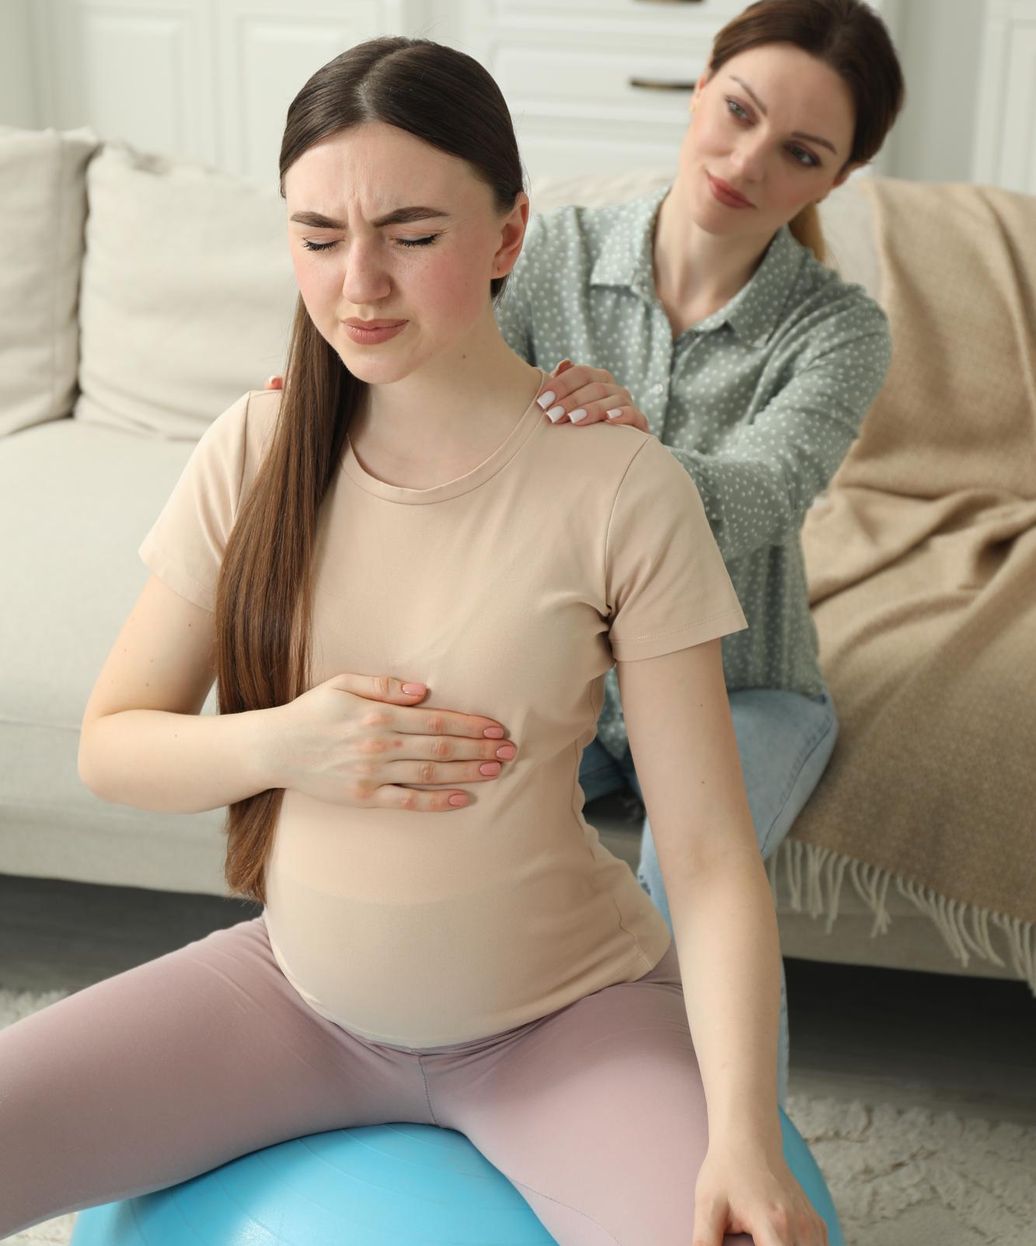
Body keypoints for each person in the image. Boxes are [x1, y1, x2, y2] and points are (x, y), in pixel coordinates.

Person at [1, 33, 830, 1246]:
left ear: (507, 237)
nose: (359, 287)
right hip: (294, 1000)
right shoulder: (255, 449)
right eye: (319, 237)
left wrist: (744, 1136)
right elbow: (114, 744)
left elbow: (705, 858)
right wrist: (296, 742)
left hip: (564, 1024)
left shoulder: (618, 486)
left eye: (412, 234)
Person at [266, 0, 906, 1108]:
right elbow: (438, 393)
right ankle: (454, 1083)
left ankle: (712, 1144)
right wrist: (332, 398)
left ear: (838, 178)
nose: (747, 160)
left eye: (800, 151)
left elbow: (763, 493)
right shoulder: (548, 248)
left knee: (686, 873)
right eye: (738, 111)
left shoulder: (840, 331)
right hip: (556, 657)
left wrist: (633, 464)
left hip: (744, 681)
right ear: (699, 88)